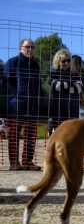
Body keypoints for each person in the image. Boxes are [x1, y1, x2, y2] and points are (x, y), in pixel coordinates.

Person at [4, 38, 43, 170]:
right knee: (15, 134)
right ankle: (14, 162)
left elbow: (39, 85)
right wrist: (14, 97)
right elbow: (6, 83)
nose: (30, 49)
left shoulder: (36, 65)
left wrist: (40, 99)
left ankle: (27, 161)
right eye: (27, 47)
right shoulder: (12, 62)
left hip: (33, 105)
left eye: (32, 47)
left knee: (31, 134)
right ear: (21, 48)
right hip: (16, 106)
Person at [48, 49, 82, 136]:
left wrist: (64, 86)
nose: (66, 63)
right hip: (58, 111)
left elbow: (80, 88)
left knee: (71, 137)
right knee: (58, 137)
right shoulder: (53, 73)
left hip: (73, 111)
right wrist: (71, 84)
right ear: (58, 61)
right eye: (63, 61)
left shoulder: (74, 74)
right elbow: (57, 86)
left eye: (68, 60)